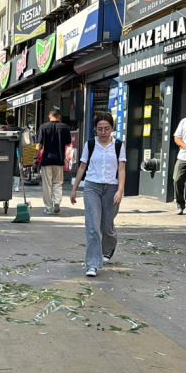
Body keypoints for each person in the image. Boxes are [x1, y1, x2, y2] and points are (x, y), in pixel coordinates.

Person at [69, 112, 126, 277]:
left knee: (107, 227)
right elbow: (82, 167)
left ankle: (109, 247)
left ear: (112, 128)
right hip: (92, 187)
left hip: (112, 188)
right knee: (93, 226)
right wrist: (74, 189)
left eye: (107, 129)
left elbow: (121, 169)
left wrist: (120, 191)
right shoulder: (90, 144)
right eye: (100, 129)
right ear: (95, 129)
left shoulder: (118, 146)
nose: (103, 132)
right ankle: (92, 264)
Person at [37, 109, 72, 215]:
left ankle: (48, 207)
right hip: (59, 159)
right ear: (59, 116)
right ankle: (57, 201)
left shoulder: (43, 127)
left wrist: (35, 158)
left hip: (46, 159)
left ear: (49, 116)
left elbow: (39, 144)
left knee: (47, 184)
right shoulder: (65, 127)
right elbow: (68, 142)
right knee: (58, 182)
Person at [4, 116, 21, 192]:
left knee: (7, 167)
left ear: (6, 121)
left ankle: (7, 185)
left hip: (7, 150)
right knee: (17, 168)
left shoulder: (4, 131)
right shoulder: (19, 130)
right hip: (17, 150)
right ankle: (16, 186)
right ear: (14, 122)